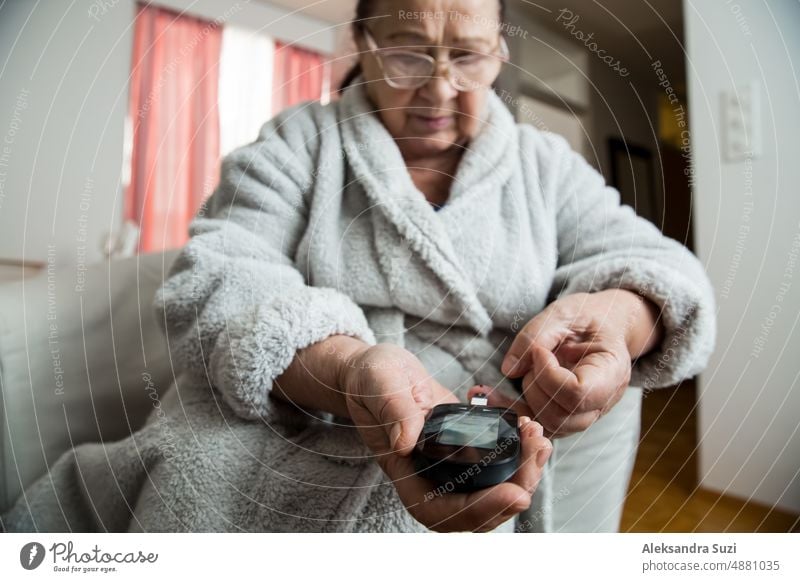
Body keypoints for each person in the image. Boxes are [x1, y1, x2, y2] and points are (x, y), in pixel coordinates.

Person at [152, 0, 716, 533]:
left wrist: (614, 319)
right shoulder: (297, 143)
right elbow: (221, 274)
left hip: (497, 428)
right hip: (320, 413)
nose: (439, 89)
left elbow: (653, 264)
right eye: (407, 55)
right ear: (363, 44)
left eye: (468, 57)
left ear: (499, 52)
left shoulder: (543, 165)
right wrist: (348, 371)